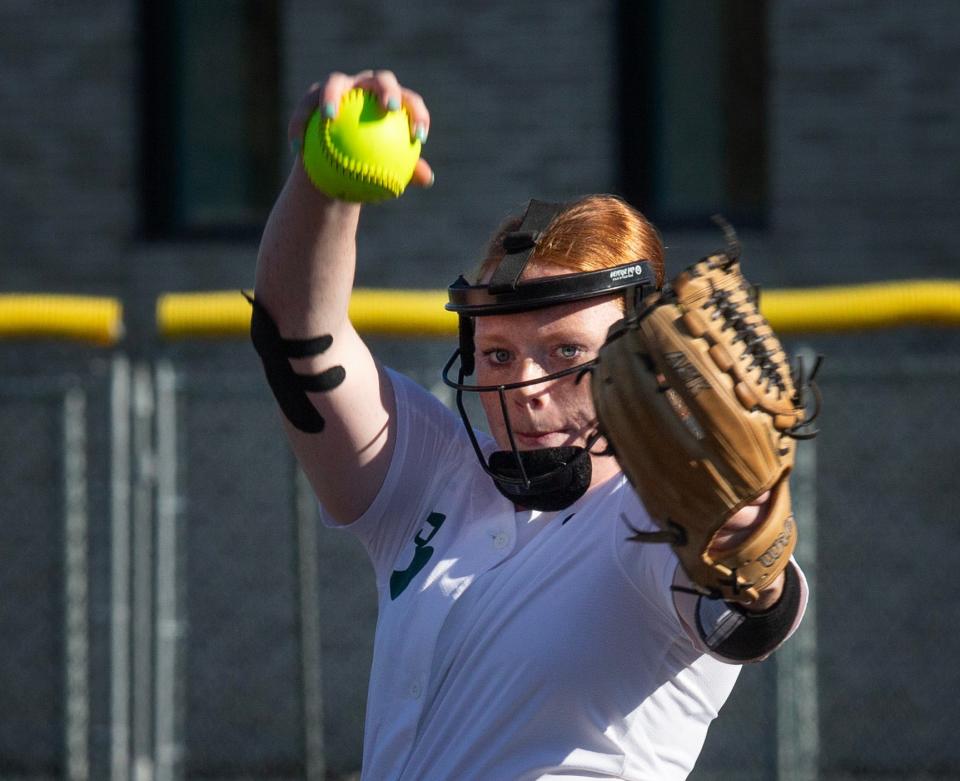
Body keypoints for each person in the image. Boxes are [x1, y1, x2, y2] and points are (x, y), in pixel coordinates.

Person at [252, 70, 807, 781]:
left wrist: (745, 556)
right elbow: (295, 335)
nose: (523, 385)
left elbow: (750, 613)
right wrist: (320, 183)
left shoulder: (653, 514)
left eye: (567, 351)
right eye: (498, 352)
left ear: (645, 353)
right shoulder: (437, 476)